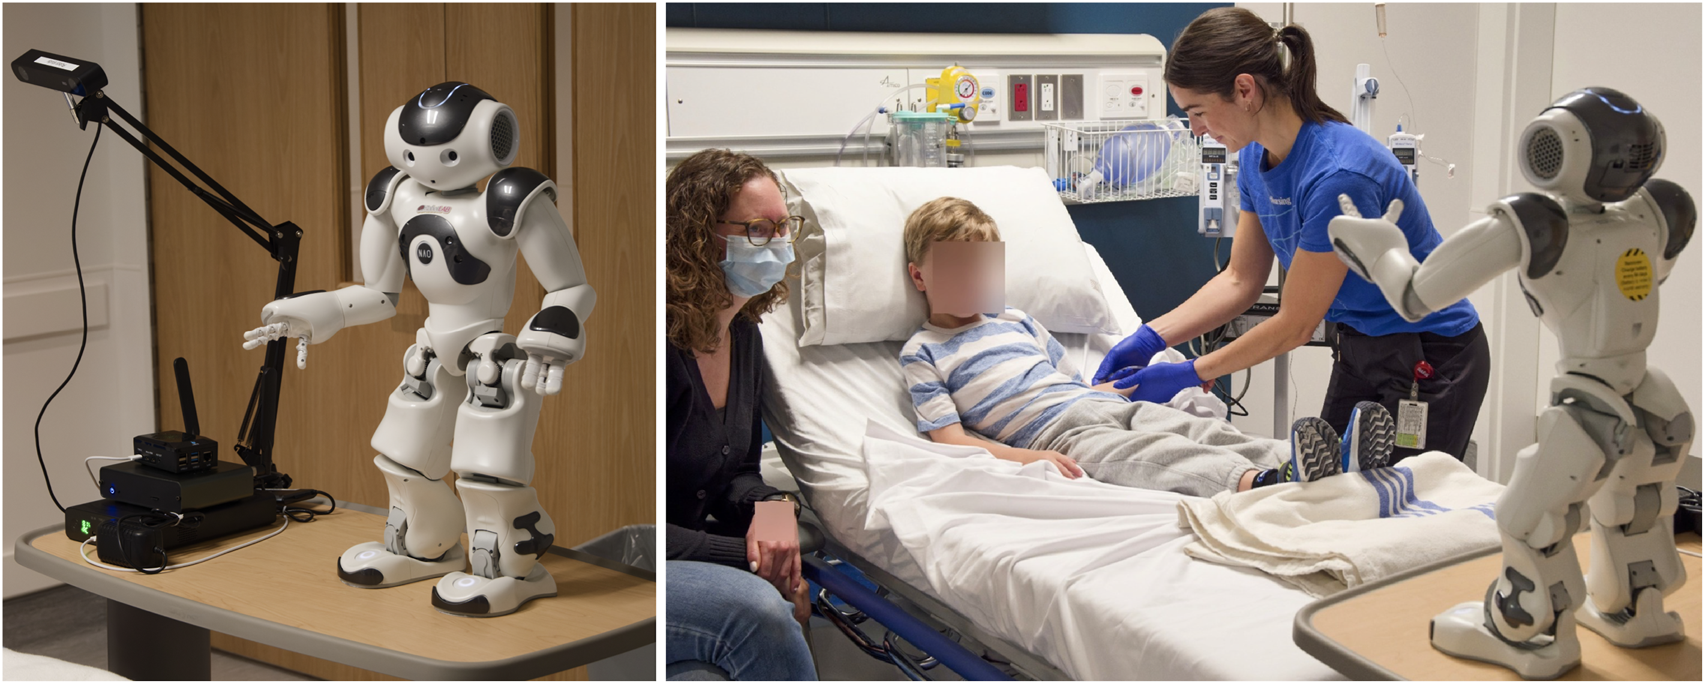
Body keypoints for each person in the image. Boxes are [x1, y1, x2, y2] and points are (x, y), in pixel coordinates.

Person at [1094, 7, 1491, 464]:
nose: (1197, 129)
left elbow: (1296, 323)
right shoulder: (1254, 157)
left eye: (1198, 112)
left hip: (1430, 354)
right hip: (1360, 345)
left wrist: (1191, 372)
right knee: (1327, 487)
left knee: (1402, 499)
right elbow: (1240, 280)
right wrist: (1150, 337)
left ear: (1245, 90)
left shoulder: (1338, 176)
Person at [899, 197, 1398, 497]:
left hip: (1096, 405)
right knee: (1155, 455)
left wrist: (1127, 389)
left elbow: (1071, 384)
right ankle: (1265, 482)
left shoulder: (1018, 321)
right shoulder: (925, 351)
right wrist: (1027, 459)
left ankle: (1325, 460)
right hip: (1054, 436)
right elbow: (951, 440)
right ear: (919, 276)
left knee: (1197, 429)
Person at [665, 148, 815, 681]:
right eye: (757, 230)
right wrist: (758, 561)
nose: (778, 244)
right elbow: (633, 525)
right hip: (631, 566)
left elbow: (738, 472)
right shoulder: (658, 346)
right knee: (759, 614)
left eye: (783, 226)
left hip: (684, 560)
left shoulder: (743, 334)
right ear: (696, 236)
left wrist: (771, 507)